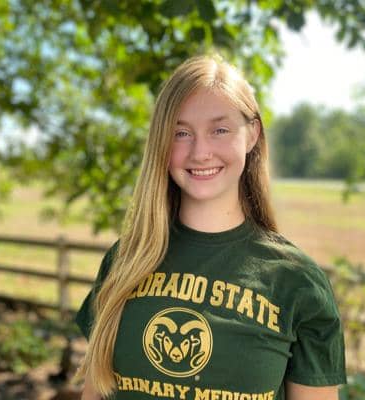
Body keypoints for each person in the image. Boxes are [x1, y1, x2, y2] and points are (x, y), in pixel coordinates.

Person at [74, 52, 347, 400]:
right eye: (181, 133)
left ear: (252, 134)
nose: (200, 152)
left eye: (220, 130)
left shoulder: (297, 281)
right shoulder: (126, 260)